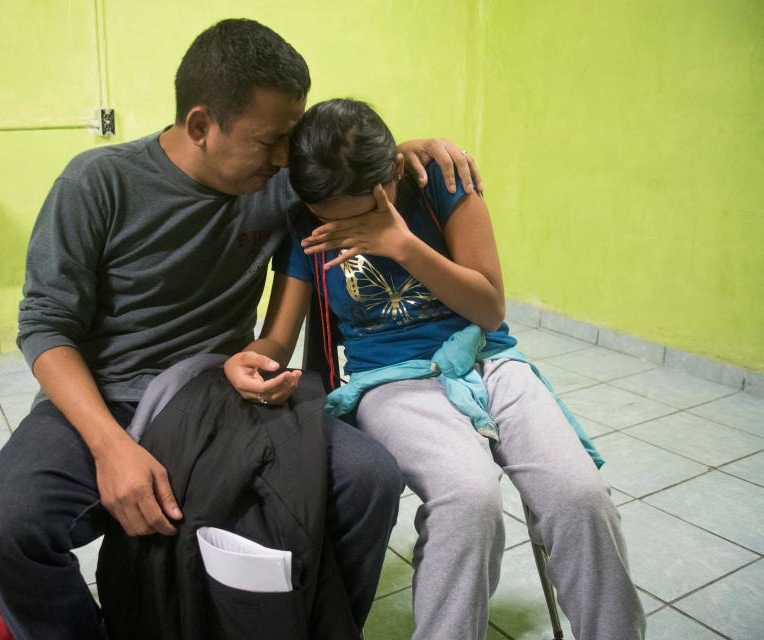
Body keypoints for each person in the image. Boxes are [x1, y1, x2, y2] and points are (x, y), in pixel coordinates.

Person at [0, 19, 481, 640]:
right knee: (0, 530)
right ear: (202, 126)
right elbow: (45, 327)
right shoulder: (98, 184)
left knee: (369, 479)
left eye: (294, 136)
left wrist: (406, 151)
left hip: (223, 393)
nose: (288, 158)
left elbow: (342, 166)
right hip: (108, 398)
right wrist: (110, 446)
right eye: (274, 140)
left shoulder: (277, 183)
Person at [223, 98, 646, 640]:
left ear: (395, 171)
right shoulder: (308, 226)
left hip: (488, 360)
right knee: (468, 500)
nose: (349, 230)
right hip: (390, 381)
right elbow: (278, 337)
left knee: (579, 497)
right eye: (336, 219)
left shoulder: (444, 186)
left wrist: (399, 244)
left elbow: (490, 308)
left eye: (365, 214)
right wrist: (254, 361)